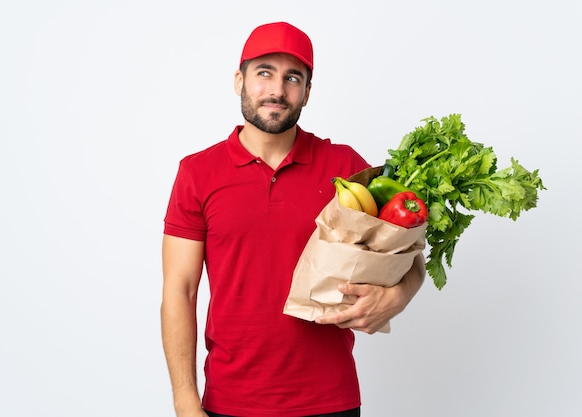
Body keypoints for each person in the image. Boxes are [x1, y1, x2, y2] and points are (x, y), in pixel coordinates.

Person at [160, 21, 426, 417]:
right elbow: (179, 292)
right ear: (239, 80)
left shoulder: (347, 168)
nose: (277, 90)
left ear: (306, 92)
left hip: (329, 401)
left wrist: (397, 296)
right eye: (264, 72)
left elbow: (410, 257)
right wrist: (185, 400)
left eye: (292, 78)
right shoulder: (198, 173)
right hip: (230, 402)